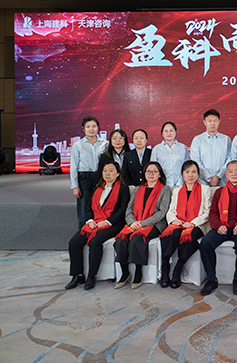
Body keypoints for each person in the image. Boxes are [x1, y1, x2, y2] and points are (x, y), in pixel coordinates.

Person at [66, 161, 130, 290]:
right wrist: (90, 220)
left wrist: (107, 221)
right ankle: (77, 275)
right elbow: (88, 207)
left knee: (95, 242)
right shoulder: (97, 188)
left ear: (118, 174)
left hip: (113, 224)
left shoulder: (123, 189)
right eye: (105, 171)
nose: (107, 173)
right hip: (94, 222)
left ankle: (92, 276)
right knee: (74, 242)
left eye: (111, 171)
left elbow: (122, 210)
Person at [199, 160, 237, 296]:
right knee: (205, 243)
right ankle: (211, 279)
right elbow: (213, 213)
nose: (234, 174)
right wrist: (218, 226)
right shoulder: (219, 192)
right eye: (230, 171)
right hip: (222, 227)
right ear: (226, 174)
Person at [114, 161, 171, 289]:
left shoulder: (165, 189)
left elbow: (161, 212)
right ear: (144, 174)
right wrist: (132, 222)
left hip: (155, 224)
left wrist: (142, 223)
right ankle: (125, 273)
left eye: (155, 171)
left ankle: (138, 273)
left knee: (137, 239)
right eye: (148, 171)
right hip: (135, 222)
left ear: (160, 174)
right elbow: (129, 209)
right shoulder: (138, 189)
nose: (151, 174)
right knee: (121, 239)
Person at [159, 160, 211, 289]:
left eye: (193, 172)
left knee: (188, 237)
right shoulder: (177, 191)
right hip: (179, 222)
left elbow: (208, 212)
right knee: (170, 234)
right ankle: (165, 266)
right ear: (182, 174)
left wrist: (193, 222)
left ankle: (179, 267)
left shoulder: (205, 189)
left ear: (198, 174)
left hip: (197, 224)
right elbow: (171, 210)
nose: (190, 175)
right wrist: (174, 220)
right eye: (187, 172)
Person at [70, 116, 108, 228]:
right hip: (84, 178)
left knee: (100, 206)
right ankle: (83, 233)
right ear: (83, 129)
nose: (91, 129)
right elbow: (74, 166)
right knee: (84, 208)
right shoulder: (78, 145)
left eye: (94, 126)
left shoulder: (105, 144)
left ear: (98, 128)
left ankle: (98, 232)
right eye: (88, 127)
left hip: (101, 177)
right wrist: (75, 186)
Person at [190, 108, 231, 187]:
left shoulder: (226, 139)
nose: (212, 123)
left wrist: (218, 176)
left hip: (222, 182)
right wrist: (209, 178)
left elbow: (229, 159)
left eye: (215, 121)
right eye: (209, 121)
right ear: (204, 122)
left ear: (219, 122)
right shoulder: (197, 140)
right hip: (203, 182)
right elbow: (196, 161)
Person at [151, 121, 190, 187]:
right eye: (166, 131)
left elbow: (187, 167)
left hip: (180, 185)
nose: (169, 133)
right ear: (162, 134)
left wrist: (179, 183)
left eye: (171, 130)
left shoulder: (183, 147)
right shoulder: (156, 149)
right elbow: (153, 169)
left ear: (176, 132)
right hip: (162, 185)